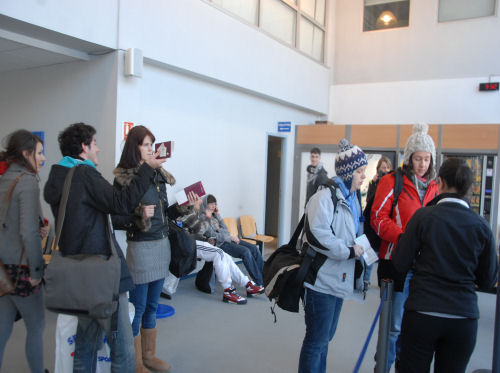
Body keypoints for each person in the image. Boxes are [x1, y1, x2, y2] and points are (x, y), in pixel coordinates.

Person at [44, 123, 163, 373]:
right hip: (101, 272)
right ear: (84, 147)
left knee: (86, 343)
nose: (98, 148)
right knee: (121, 347)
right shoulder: (84, 175)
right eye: (95, 143)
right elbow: (120, 203)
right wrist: (145, 171)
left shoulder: (57, 176)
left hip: (79, 270)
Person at [393, 158, 498, 373]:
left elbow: (400, 262)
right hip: (463, 317)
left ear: (439, 182)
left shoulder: (423, 217)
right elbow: (488, 279)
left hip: (423, 312)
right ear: (469, 188)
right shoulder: (481, 226)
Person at [370, 123, 439, 372]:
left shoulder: (434, 188)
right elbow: (377, 218)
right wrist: (405, 238)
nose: (422, 164)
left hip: (423, 268)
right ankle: (383, 367)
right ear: (409, 158)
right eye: (417, 158)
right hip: (396, 264)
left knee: (412, 328)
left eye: (426, 159)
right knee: (393, 326)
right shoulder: (392, 182)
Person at [298, 139, 367, 373]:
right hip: (321, 283)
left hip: (339, 279)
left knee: (325, 340)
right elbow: (317, 235)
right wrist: (348, 251)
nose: (363, 177)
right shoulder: (324, 197)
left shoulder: (352, 198)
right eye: (359, 171)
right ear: (347, 173)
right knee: (316, 341)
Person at [112, 126, 174, 373]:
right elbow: (115, 217)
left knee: (152, 306)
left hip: (161, 245)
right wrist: (138, 215)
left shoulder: (159, 175)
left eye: (152, 145)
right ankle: (135, 361)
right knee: (136, 308)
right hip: (140, 248)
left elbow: (165, 214)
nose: (151, 149)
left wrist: (184, 209)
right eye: (146, 145)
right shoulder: (124, 176)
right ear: (134, 147)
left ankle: (149, 356)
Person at [0, 130, 48, 373]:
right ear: (25, 153)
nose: (43, 158)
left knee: (3, 327)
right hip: (21, 268)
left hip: (1, 267)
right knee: (37, 325)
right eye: (39, 153)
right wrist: (37, 270)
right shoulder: (27, 181)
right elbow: (27, 232)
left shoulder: (4, 177)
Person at [170, 192, 264, 304]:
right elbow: (200, 230)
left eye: (215, 203)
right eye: (197, 199)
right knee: (222, 253)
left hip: (208, 241)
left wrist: (216, 217)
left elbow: (224, 229)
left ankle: (248, 284)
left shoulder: (201, 214)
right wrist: (205, 215)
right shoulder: (193, 214)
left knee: (227, 256)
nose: (200, 201)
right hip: (194, 243)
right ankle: (229, 290)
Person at [203, 194, 265, 291]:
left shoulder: (215, 217)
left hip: (228, 239)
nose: (213, 206)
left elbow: (226, 230)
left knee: (253, 249)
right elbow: (212, 234)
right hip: (221, 244)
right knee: (246, 252)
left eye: (214, 204)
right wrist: (229, 237)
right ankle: (259, 282)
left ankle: (264, 277)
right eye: (210, 204)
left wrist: (218, 215)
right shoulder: (204, 218)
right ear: (205, 204)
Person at [362, 156, 392, 286]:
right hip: (372, 228)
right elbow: (370, 200)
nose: (384, 171)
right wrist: (374, 183)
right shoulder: (372, 183)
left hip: (384, 226)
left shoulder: (392, 184)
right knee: (370, 257)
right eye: (382, 168)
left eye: (387, 168)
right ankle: (365, 281)